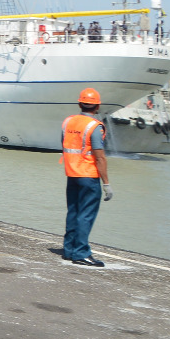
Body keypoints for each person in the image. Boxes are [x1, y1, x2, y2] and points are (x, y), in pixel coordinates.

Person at [60, 87, 112, 267]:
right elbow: (100, 157)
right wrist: (106, 184)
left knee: (73, 211)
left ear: (79, 104)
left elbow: (65, 145)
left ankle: (69, 250)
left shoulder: (68, 122)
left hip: (71, 173)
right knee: (86, 215)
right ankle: (81, 253)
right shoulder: (94, 127)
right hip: (88, 176)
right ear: (97, 107)